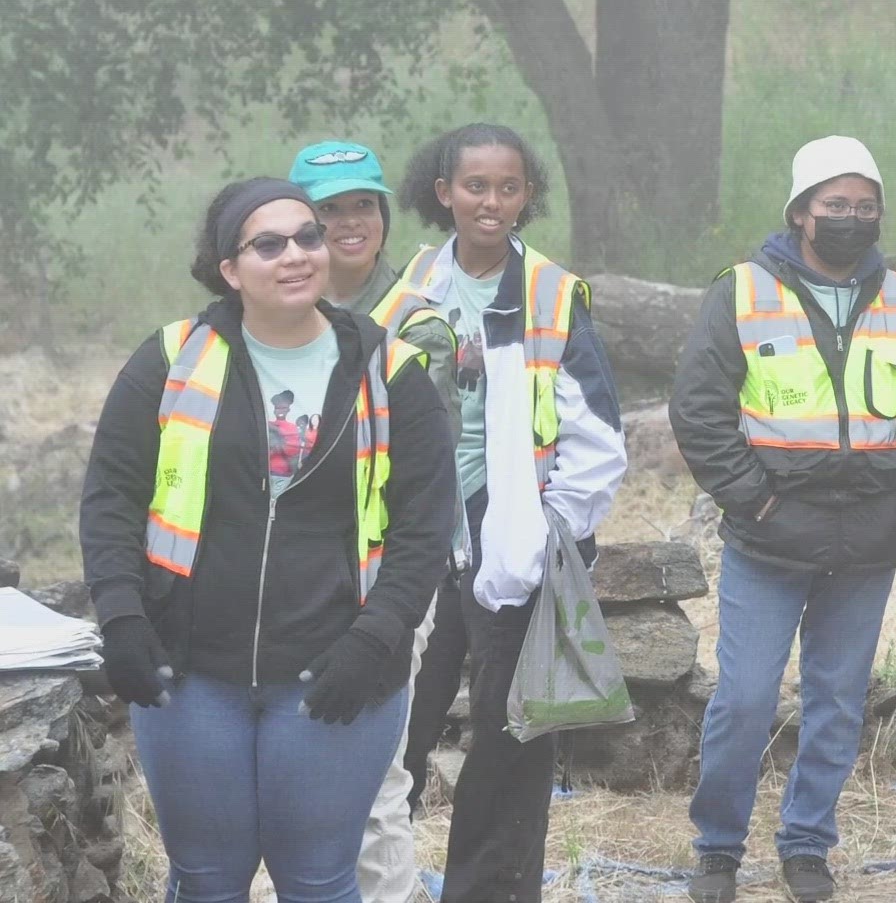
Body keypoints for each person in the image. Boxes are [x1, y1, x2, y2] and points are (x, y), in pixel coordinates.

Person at [80, 177, 457, 900]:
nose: (296, 255)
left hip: (336, 672)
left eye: (307, 237)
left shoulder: (392, 371)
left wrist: (376, 640)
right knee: (208, 882)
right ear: (230, 268)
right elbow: (110, 499)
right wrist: (122, 615)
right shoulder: (170, 359)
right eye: (269, 243)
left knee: (318, 881)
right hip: (191, 677)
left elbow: (423, 530)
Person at [669, 136, 896, 903]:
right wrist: (754, 498)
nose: (851, 218)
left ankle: (806, 846)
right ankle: (718, 851)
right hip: (768, 539)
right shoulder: (741, 291)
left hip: (866, 542)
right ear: (800, 213)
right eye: (835, 205)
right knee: (745, 698)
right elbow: (697, 412)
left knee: (836, 700)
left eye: (865, 207)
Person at [395, 123, 628, 902]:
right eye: (474, 187)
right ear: (443, 193)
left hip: (515, 533)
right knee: (400, 721)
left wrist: (547, 529)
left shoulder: (554, 294)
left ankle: (489, 889)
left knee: (510, 734)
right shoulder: (416, 282)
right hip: (425, 529)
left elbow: (597, 435)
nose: (489, 202)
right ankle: (373, 876)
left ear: (528, 195)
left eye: (507, 187)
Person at [286, 139, 462, 903]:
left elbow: (426, 481)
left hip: (385, 574)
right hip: (284, 578)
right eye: (329, 210)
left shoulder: (415, 326)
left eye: (363, 206)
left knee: (375, 776)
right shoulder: (272, 314)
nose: (349, 223)